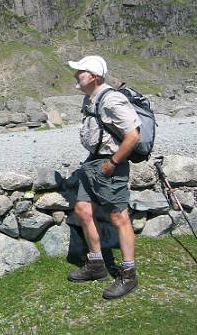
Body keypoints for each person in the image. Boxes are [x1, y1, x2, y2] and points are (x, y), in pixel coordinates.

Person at [67, 55, 141, 299]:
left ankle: (128, 275)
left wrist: (112, 162)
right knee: (82, 209)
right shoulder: (91, 98)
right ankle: (97, 265)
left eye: (81, 71)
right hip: (93, 163)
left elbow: (133, 135)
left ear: (95, 76)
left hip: (110, 164)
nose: (76, 75)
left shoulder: (112, 99)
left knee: (118, 216)